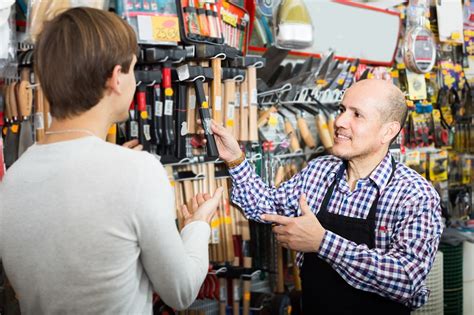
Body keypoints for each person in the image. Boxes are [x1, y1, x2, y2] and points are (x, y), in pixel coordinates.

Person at [0, 7, 223, 314]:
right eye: (132, 68)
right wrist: (197, 225)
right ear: (117, 78)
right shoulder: (138, 171)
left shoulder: (12, 180)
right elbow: (181, 292)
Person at [210, 79, 443, 313]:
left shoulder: (414, 195)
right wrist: (235, 158)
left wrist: (322, 243)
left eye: (357, 115)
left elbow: (406, 279)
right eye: (342, 110)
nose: (339, 122)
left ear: (388, 131)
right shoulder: (320, 170)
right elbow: (266, 208)